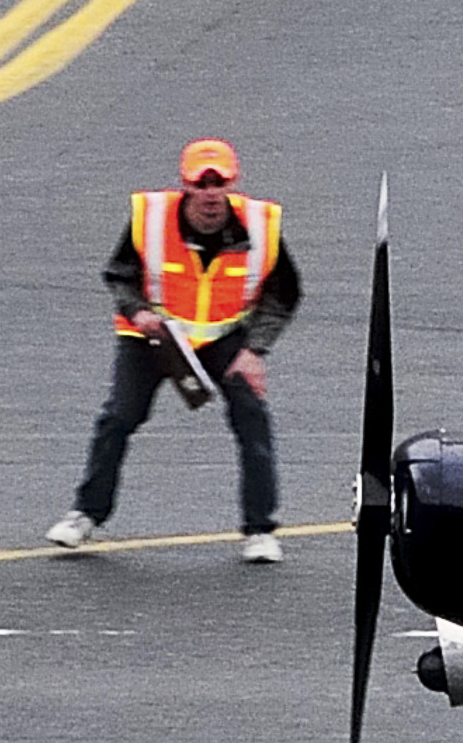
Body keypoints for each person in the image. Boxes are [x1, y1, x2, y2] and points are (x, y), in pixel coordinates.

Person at [50, 136, 299, 560]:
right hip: (155, 336)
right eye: (201, 185)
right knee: (119, 416)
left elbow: (283, 293)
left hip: (224, 337)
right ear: (185, 186)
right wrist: (139, 312)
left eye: (218, 184)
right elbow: (120, 274)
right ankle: (85, 514)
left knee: (252, 417)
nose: (210, 195)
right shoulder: (150, 218)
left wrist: (255, 350)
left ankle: (260, 530)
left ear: (232, 184)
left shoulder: (261, 225)